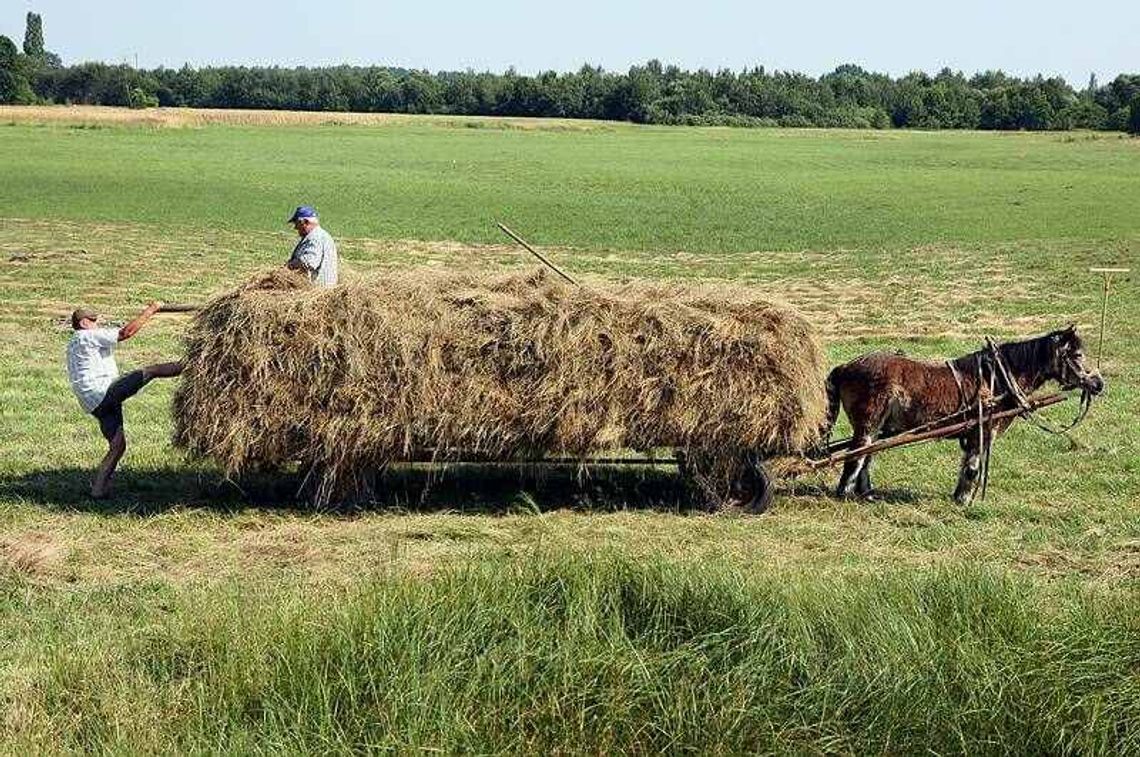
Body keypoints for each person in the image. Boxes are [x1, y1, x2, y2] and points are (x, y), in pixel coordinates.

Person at [65, 302, 184, 498]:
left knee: (118, 445)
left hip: (93, 403)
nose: (98, 325)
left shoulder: (74, 343)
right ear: (85, 323)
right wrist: (151, 310)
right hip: (103, 393)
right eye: (94, 321)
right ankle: (196, 363)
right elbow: (125, 333)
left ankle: (97, 491)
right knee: (150, 371)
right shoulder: (87, 336)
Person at [286, 205, 339, 287]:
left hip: (318, 291)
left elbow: (309, 262)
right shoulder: (319, 235)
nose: (295, 228)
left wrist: (289, 266)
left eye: (297, 224)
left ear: (306, 222)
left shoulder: (315, 237)